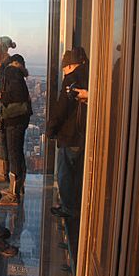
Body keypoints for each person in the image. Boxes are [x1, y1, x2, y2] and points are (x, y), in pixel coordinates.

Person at [0, 38, 32, 204]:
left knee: (14, 154)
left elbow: (18, 94)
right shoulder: (9, 68)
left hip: (15, 117)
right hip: (17, 117)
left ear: (1, 54)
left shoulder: (10, 70)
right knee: (15, 153)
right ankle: (16, 189)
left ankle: (14, 195)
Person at [46, 46, 89, 218]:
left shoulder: (71, 79)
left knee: (65, 173)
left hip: (70, 134)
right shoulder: (91, 76)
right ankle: (77, 207)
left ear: (70, 65)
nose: (63, 71)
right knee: (77, 173)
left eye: (64, 68)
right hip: (83, 133)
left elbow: (61, 108)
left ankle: (69, 209)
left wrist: (51, 129)